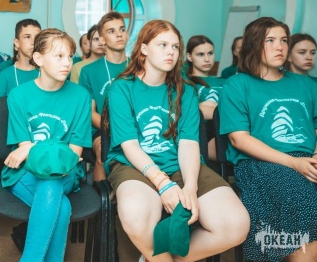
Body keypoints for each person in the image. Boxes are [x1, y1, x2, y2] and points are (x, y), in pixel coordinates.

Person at [106, 20, 249, 262]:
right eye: (162, 45)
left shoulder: (186, 91)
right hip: (134, 165)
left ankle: (159, 257)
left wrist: (190, 187)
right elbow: (130, 146)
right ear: (144, 49)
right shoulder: (121, 88)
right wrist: (163, 184)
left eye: (175, 47)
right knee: (135, 214)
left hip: (181, 165)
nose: (171, 52)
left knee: (236, 225)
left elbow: (189, 144)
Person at [220, 17, 317, 262]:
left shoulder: (305, 83)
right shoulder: (237, 84)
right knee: (303, 197)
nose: (280, 47)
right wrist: (294, 163)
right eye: (270, 40)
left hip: (307, 159)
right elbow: (239, 139)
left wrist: (315, 156)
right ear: (253, 44)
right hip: (261, 163)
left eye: (283, 40)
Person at [2, 28, 92, 261]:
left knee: (52, 182)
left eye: (70, 56)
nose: (67, 63)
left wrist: (31, 146)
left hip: (66, 173)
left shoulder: (81, 96)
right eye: (59, 56)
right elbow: (33, 160)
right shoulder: (18, 95)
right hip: (24, 173)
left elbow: (74, 155)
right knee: (61, 206)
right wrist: (41, 149)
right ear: (38, 59)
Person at [79, 12, 130, 181]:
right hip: (102, 129)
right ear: (102, 39)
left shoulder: (139, 67)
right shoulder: (88, 71)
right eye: (111, 31)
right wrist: (113, 127)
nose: (119, 34)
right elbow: (90, 112)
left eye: (122, 29)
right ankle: (102, 195)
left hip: (135, 128)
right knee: (103, 150)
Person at [185, 35, 225, 161]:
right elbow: (195, 112)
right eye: (200, 54)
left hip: (227, 129)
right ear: (189, 57)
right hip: (204, 133)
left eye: (210, 53)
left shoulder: (225, 82)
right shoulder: (186, 82)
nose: (207, 59)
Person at [0, 19, 41, 98]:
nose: (33, 42)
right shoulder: (5, 76)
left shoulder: (48, 74)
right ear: (17, 43)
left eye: (37, 37)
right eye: (27, 37)